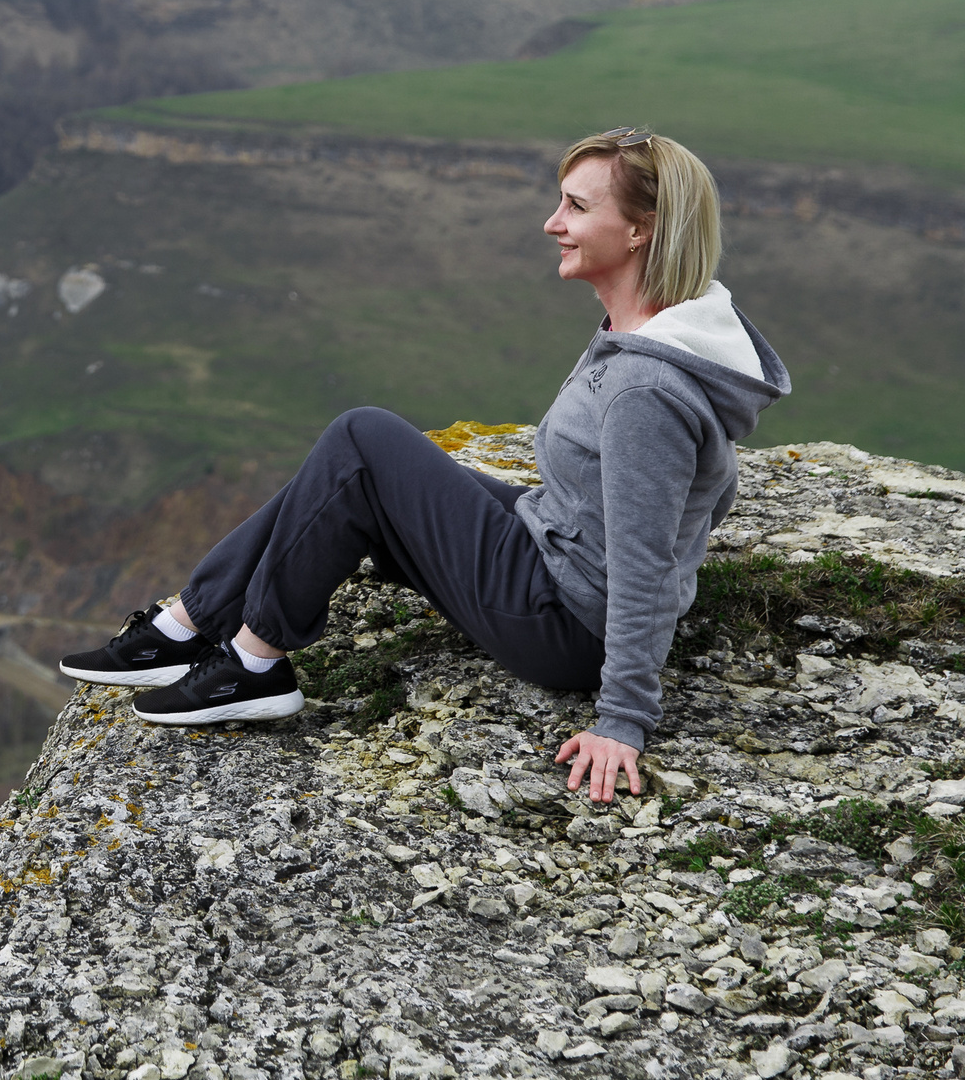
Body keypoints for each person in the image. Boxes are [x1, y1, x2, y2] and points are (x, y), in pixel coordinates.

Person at [58, 127, 789, 802]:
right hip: (553, 553)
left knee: (364, 437)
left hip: (566, 622)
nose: (551, 222)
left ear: (640, 230)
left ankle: (250, 664)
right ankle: (187, 624)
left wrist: (623, 715)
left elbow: (644, 555)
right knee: (356, 469)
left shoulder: (644, 387)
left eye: (574, 205)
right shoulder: (644, 336)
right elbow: (699, 501)